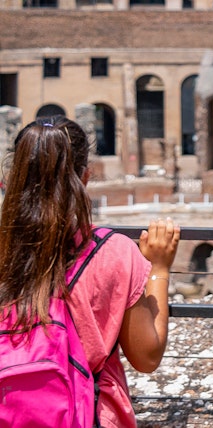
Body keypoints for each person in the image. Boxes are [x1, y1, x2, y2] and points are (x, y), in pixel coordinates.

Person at [0, 115, 181, 427]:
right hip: (86, 414)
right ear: (85, 176)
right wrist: (159, 269)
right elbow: (146, 356)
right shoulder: (114, 252)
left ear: (16, 174)